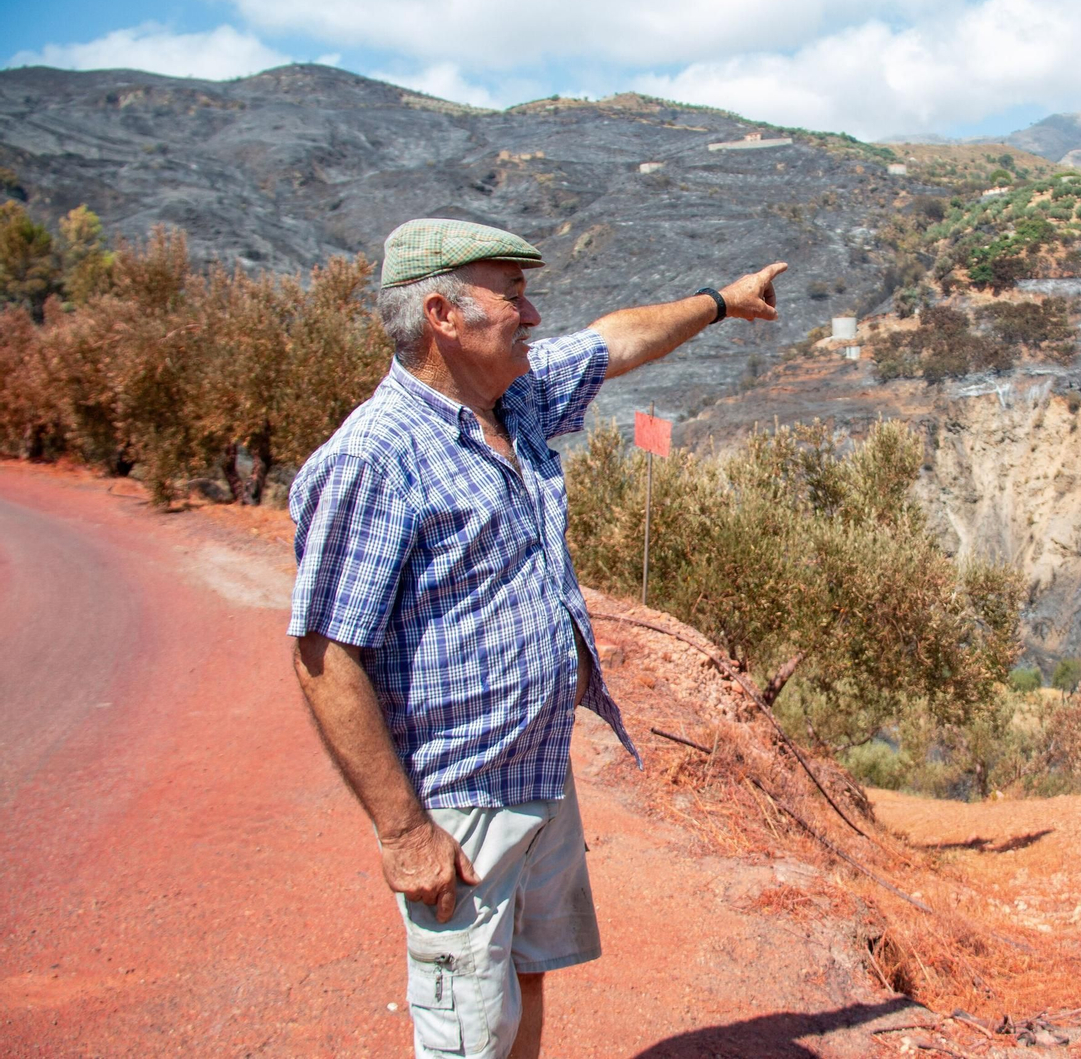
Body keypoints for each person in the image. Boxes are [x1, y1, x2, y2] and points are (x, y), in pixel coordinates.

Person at [288, 217, 786, 1059]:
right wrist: (405, 832)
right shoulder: (374, 456)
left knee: (523, 982)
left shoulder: (511, 398)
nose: (533, 312)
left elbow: (612, 342)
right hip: (460, 799)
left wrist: (719, 302)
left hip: (538, 773)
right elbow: (323, 653)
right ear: (443, 314)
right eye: (512, 295)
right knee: (466, 1035)